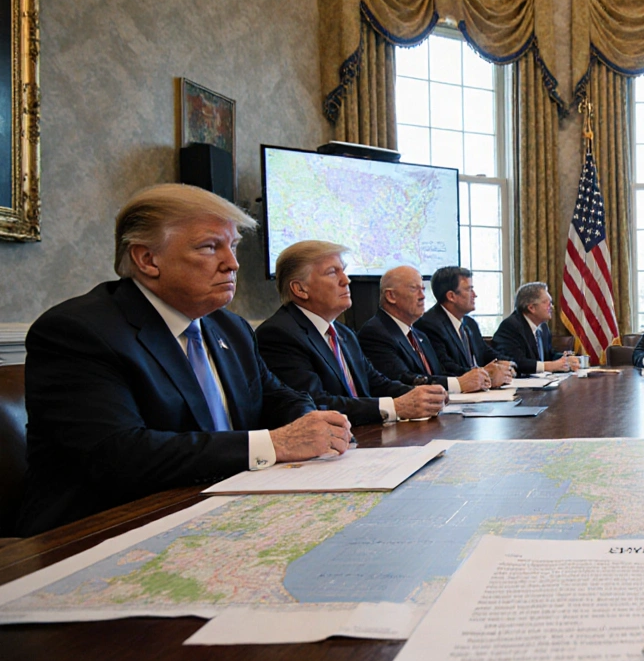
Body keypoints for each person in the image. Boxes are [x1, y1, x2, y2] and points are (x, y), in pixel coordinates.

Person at [19, 185, 350, 535]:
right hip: (103, 531)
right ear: (147, 259)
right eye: (210, 247)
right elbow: (119, 455)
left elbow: (278, 396)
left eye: (233, 245)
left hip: (223, 513)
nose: (233, 263)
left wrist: (308, 423)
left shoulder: (231, 328)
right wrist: (275, 444)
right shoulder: (79, 331)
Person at [257, 242, 446, 426]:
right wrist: (395, 407)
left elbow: (376, 383)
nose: (346, 280)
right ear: (300, 289)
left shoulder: (343, 333)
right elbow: (313, 403)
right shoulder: (279, 334)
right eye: (332, 272)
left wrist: (425, 395)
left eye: (344, 271)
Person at [357, 265, 491, 393]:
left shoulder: (419, 335)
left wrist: (479, 377)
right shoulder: (375, 333)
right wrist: (458, 383)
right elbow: (402, 379)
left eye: (423, 289)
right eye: (414, 289)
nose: (422, 296)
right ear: (391, 296)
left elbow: (438, 373)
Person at [415, 266, 514, 388]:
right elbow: (444, 367)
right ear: (451, 296)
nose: (475, 295)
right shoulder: (428, 324)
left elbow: (486, 353)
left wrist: (507, 365)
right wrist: (485, 373)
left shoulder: (470, 323)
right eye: (469, 289)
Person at [491, 282, 581, 375]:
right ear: (531, 308)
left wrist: (565, 360)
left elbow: (548, 355)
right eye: (546, 302)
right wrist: (548, 366)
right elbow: (516, 362)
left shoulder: (543, 327)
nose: (551, 307)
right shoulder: (511, 326)